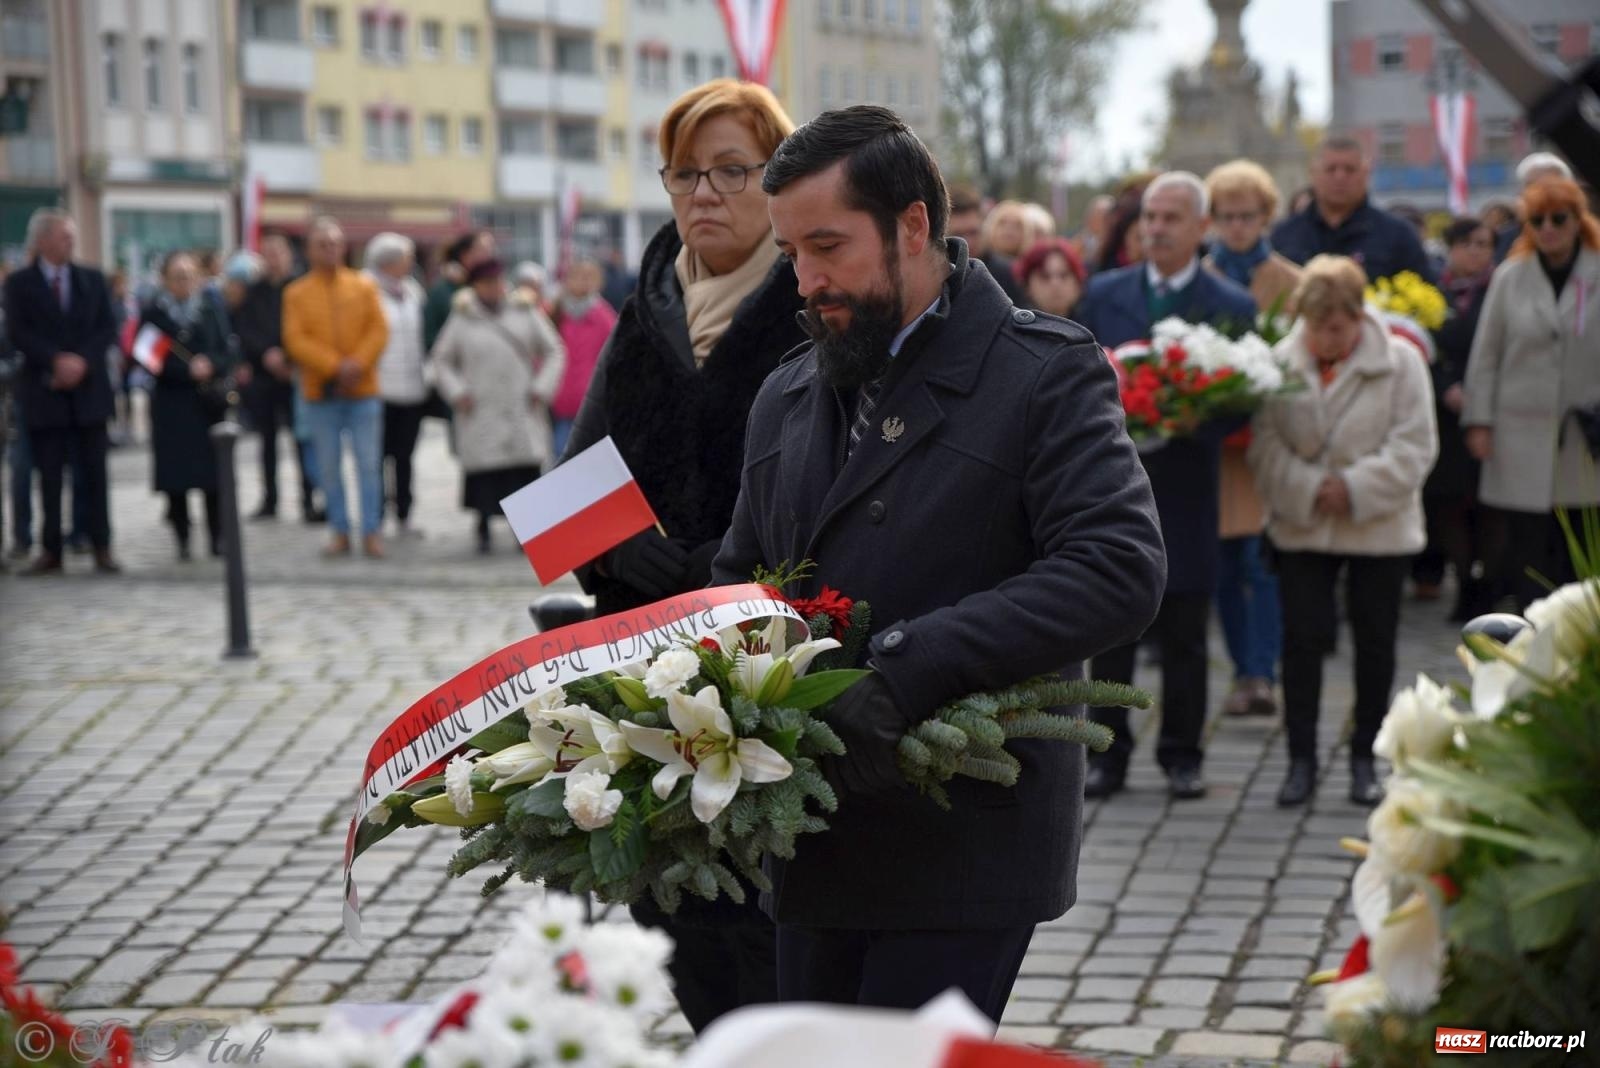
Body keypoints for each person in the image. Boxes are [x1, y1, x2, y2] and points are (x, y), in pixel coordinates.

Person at [713, 103, 1164, 1023]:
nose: (807, 281)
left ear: (913, 224)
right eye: (792, 254)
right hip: (813, 829)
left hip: (963, 833)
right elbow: (740, 577)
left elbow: (1118, 565)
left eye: (829, 247)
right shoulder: (787, 391)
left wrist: (908, 668)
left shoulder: (1042, 371)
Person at [560, 77, 806, 1034]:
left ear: (778, 180)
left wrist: (715, 567)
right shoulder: (650, 297)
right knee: (672, 907)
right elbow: (571, 482)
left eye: (732, 171)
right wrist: (621, 553)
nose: (704, 193)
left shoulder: (810, 299)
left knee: (765, 914)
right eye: (685, 173)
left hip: (775, 656)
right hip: (636, 648)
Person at [1075, 171, 1257, 801]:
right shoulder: (1104, 292)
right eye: (1149, 216)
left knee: (1185, 629)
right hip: (1113, 486)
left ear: (1201, 228)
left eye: (1171, 218)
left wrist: (1195, 413)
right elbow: (1076, 375)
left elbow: (1246, 400)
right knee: (1111, 627)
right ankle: (1106, 754)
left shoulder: (1231, 306)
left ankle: (1183, 753)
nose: (1155, 228)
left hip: (1186, 486)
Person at [1249, 255, 1437, 807]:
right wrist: (1311, 488)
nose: (1323, 338)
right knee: (1302, 643)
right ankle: (1300, 761)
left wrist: (1352, 487)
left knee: (1375, 643)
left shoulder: (1401, 363)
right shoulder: (1281, 362)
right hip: (1302, 525)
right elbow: (1265, 445)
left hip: (1379, 527)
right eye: (1314, 325)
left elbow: (1415, 445)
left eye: (1335, 326)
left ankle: (1364, 758)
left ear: (1358, 316)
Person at [1463, 177, 1600, 610]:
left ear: (1578, 221)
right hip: (1521, 432)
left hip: (1586, 435)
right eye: (1536, 221)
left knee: (1583, 553)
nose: (1548, 229)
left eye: (1558, 219)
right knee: (1528, 551)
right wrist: (1479, 421)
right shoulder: (1510, 277)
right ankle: (1532, 640)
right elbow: (1486, 354)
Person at [1202, 159, 1303, 720]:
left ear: (1267, 216)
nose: (1238, 227)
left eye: (1249, 216)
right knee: (1220, 561)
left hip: (1268, 437)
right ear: (1213, 219)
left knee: (1261, 563)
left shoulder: (1290, 279)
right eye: (1227, 216)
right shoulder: (1202, 276)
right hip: (1216, 443)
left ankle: (1262, 672)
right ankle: (1242, 669)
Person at [3, 209, 120, 575]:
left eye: (72, 235)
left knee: (95, 473)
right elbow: (18, 333)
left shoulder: (92, 279)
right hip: (45, 390)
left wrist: (81, 361)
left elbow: (107, 328)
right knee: (48, 474)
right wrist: (55, 360)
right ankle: (51, 548)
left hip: (89, 392)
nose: (70, 241)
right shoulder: (20, 284)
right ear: (42, 241)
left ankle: (101, 544)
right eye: (62, 236)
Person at [429, 259, 564, 553]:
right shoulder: (463, 317)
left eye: (497, 282)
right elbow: (441, 359)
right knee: (484, 475)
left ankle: (525, 532)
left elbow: (554, 349)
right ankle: (483, 528)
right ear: (475, 287)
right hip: (480, 408)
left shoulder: (524, 312)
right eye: (487, 283)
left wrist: (542, 388)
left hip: (520, 404)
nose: (494, 288)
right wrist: (457, 392)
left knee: (523, 472)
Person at [282, 216, 389, 559]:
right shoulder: (296, 293)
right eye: (322, 244)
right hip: (320, 393)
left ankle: (371, 530)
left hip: (363, 390)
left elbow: (379, 330)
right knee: (328, 467)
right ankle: (340, 530)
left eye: (334, 243)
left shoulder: (363, 286)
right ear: (309, 250)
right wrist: (334, 365)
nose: (329, 250)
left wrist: (357, 362)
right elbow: (295, 340)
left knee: (369, 465)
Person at [1413, 217, 1494, 620]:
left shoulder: (1499, 292)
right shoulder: (1432, 294)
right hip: (1444, 414)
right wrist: (1446, 385)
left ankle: (1484, 586)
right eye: (1467, 244)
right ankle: (1462, 582)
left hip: (1489, 410)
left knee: (1486, 506)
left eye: (1484, 244)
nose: (1476, 252)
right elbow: (1423, 350)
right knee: (1448, 503)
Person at [141, 251, 236, 559]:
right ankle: (182, 536)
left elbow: (228, 351)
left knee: (212, 477)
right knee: (176, 478)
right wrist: (185, 370)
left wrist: (211, 364)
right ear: (166, 280)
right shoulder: (155, 312)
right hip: (171, 405)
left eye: (189, 275)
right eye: (177, 276)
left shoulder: (211, 309)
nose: (184, 282)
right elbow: (148, 358)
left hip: (206, 405)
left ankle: (217, 537)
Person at [235, 231, 319, 522]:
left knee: (302, 439)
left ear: (288, 255)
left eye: (278, 253)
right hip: (263, 375)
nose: (273, 259)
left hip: (296, 373)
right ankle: (270, 499)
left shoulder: (301, 286)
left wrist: (289, 357)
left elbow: (308, 328)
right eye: (267, 253)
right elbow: (246, 330)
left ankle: (309, 498)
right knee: (266, 441)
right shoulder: (254, 292)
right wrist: (266, 355)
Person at [1271, 136, 1435, 283]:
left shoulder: (1398, 236)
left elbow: (1427, 296)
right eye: (1331, 169)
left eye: (1350, 169)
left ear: (1366, 174)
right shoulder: (1283, 236)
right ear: (1313, 173)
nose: (1340, 177)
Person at [365, 232, 429, 538]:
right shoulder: (366, 290)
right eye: (407, 257)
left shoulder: (413, 291)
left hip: (412, 387)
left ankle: (404, 513)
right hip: (380, 387)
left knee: (405, 456)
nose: (411, 263)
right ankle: (374, 516)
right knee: (377, 457)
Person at [549, 256, 615, 458]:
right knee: (560, 456)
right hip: (560, 402)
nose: (583, 282)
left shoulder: (604, 317)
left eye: (589, 277)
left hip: (593, 403)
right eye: (577, 276)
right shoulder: (555, 313)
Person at [424, 228, 495, 353]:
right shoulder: (443, 290)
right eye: (483, 250)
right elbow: (430, 337)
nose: (489, 255)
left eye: (491, 249)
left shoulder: (495, 290)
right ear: (465, 255)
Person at [1013, 236, 1086, 319]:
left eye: (1063, 275)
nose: (1055, 284)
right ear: (1027, 285)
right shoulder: (1013, 328)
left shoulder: (1094, 325)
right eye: (1045, 276)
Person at [979, 200, 1030, 303]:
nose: (1009, 229)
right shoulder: (978, 266)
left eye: (1018, 225)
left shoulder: (1031, 271)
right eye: (1002, 223)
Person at [1075, 193, 1116, 269]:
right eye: (1099, 213)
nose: (1103, 219)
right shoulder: (1076, 245)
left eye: (1107, 214)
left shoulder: (1118, 246)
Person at [945, 183, 985, 257]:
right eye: (958, 235)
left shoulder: (1006, 268)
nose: (968, 243)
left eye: (973, 232)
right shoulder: (929, 267)